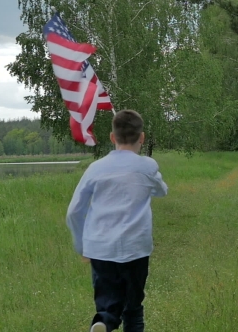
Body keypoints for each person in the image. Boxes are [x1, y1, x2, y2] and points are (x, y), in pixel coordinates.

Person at [66, 109, 168, 332]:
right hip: (136, 248)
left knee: (108, 304)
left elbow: (74, 211)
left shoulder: (95, 168)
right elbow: (162, 191)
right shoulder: (148, 166)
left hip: (100, 248)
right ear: (141, 138)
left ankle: (103, 322)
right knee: (133, 308)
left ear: (112, 138)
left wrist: (81, 245)